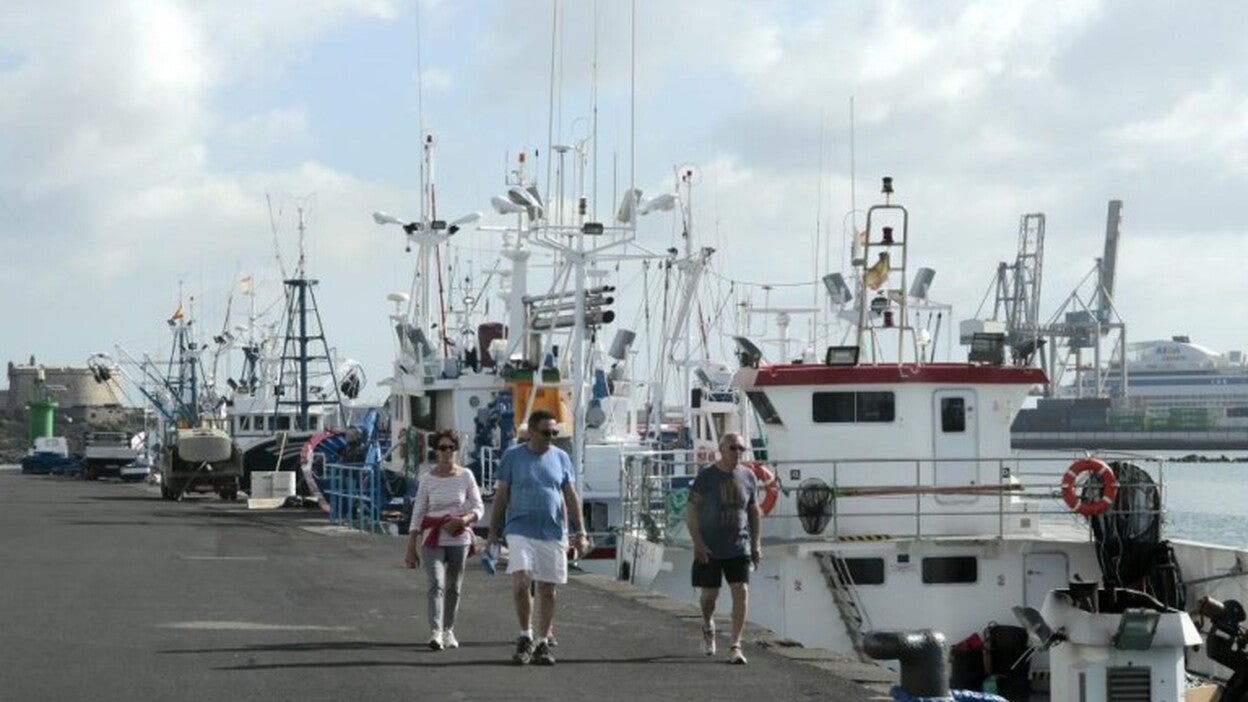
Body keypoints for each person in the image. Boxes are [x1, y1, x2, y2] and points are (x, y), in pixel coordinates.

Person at [487, 410, 589, 666]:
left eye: (554, 433)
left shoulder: (561, 458)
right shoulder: (513, 457)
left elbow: (570, 496)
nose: (550, 437)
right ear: (531, 432)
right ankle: (525, 635)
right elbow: (501, 495)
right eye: (546, 432)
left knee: (548, 590)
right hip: (519, 528)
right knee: (522, 578)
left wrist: (580, 532)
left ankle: (543, 641)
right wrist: (492, 530)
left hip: (552, 531)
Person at [685, 432, 762, 665]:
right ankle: (708, 623)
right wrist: (698, 543)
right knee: (710, 596)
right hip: (710, 547)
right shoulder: (706, 477)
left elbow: (754, 510)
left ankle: (735, 645)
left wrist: (756, 543)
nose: (737, 452)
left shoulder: (748, 477)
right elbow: (690, 511)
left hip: (739, 546)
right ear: (721, 449)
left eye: (741, 448)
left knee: (741, 591)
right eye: (733, 448)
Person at [405, 429, 484, 651]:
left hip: (459, 537)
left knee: (454, 587)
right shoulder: (427, 479)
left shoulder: (466, 476)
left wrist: (464, 520)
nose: (447, 451)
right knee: (436, 583)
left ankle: (449, 629)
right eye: (443, 448)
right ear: (436, 451)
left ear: (456, 451)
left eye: (451, 447)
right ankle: (436, 631)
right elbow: (418, 512)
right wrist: (411, 545)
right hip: (433, 537)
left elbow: (478, 506)